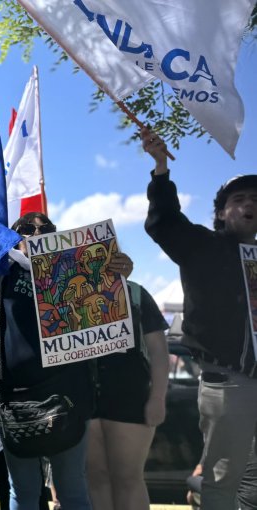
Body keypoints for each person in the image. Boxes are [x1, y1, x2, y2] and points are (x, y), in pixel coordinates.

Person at [0, 212, 133, 510]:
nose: (36, 232)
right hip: (15, 399)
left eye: (45, 228)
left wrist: (119, 271)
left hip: (69, 395)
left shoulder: (77, 269)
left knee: (72, 490)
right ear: (13, 236)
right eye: (26, 228)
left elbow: (104, 304)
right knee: (22, 492)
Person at [142, 128, 257, 509]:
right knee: (222, 485)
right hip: (231, 384)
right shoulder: (202, 247)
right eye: (239, 199)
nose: (249, 204)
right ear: (222, 213)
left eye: (256, 199)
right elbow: (164, 223)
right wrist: (160, 168)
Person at [85, 280, 169, 510]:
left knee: (128, 479)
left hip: (131, 395)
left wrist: (158, 397)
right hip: (83, 397)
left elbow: (159, 351)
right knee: (95, 479)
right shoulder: (67, 293)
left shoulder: (135, 292)